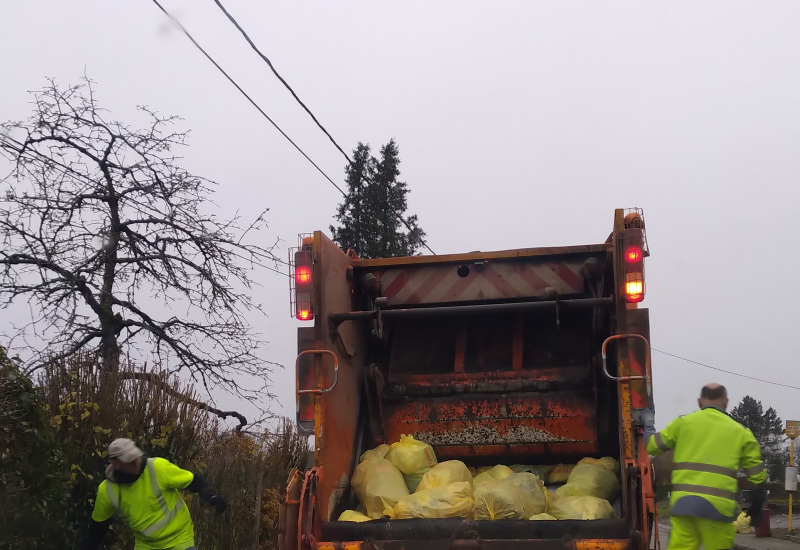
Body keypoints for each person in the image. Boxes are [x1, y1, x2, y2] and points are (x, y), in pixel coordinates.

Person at [642, 383, 766, 550]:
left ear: (700, 402)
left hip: (684, 507)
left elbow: (651, 445)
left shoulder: (683, 423)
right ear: (726, 401)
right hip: (719, 511)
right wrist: (757, 503)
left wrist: (648, 421)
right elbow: (756, 476)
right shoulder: (741, 432)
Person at [82, 438, 227, 550]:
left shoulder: (157, 467)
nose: (135, 463)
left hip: (179, 539)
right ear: (115, 464)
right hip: (147, 545)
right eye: (129, 461)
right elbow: (97, 529)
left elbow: (194, 481)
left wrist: (210, 495)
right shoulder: (107, 491)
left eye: (135, 457)